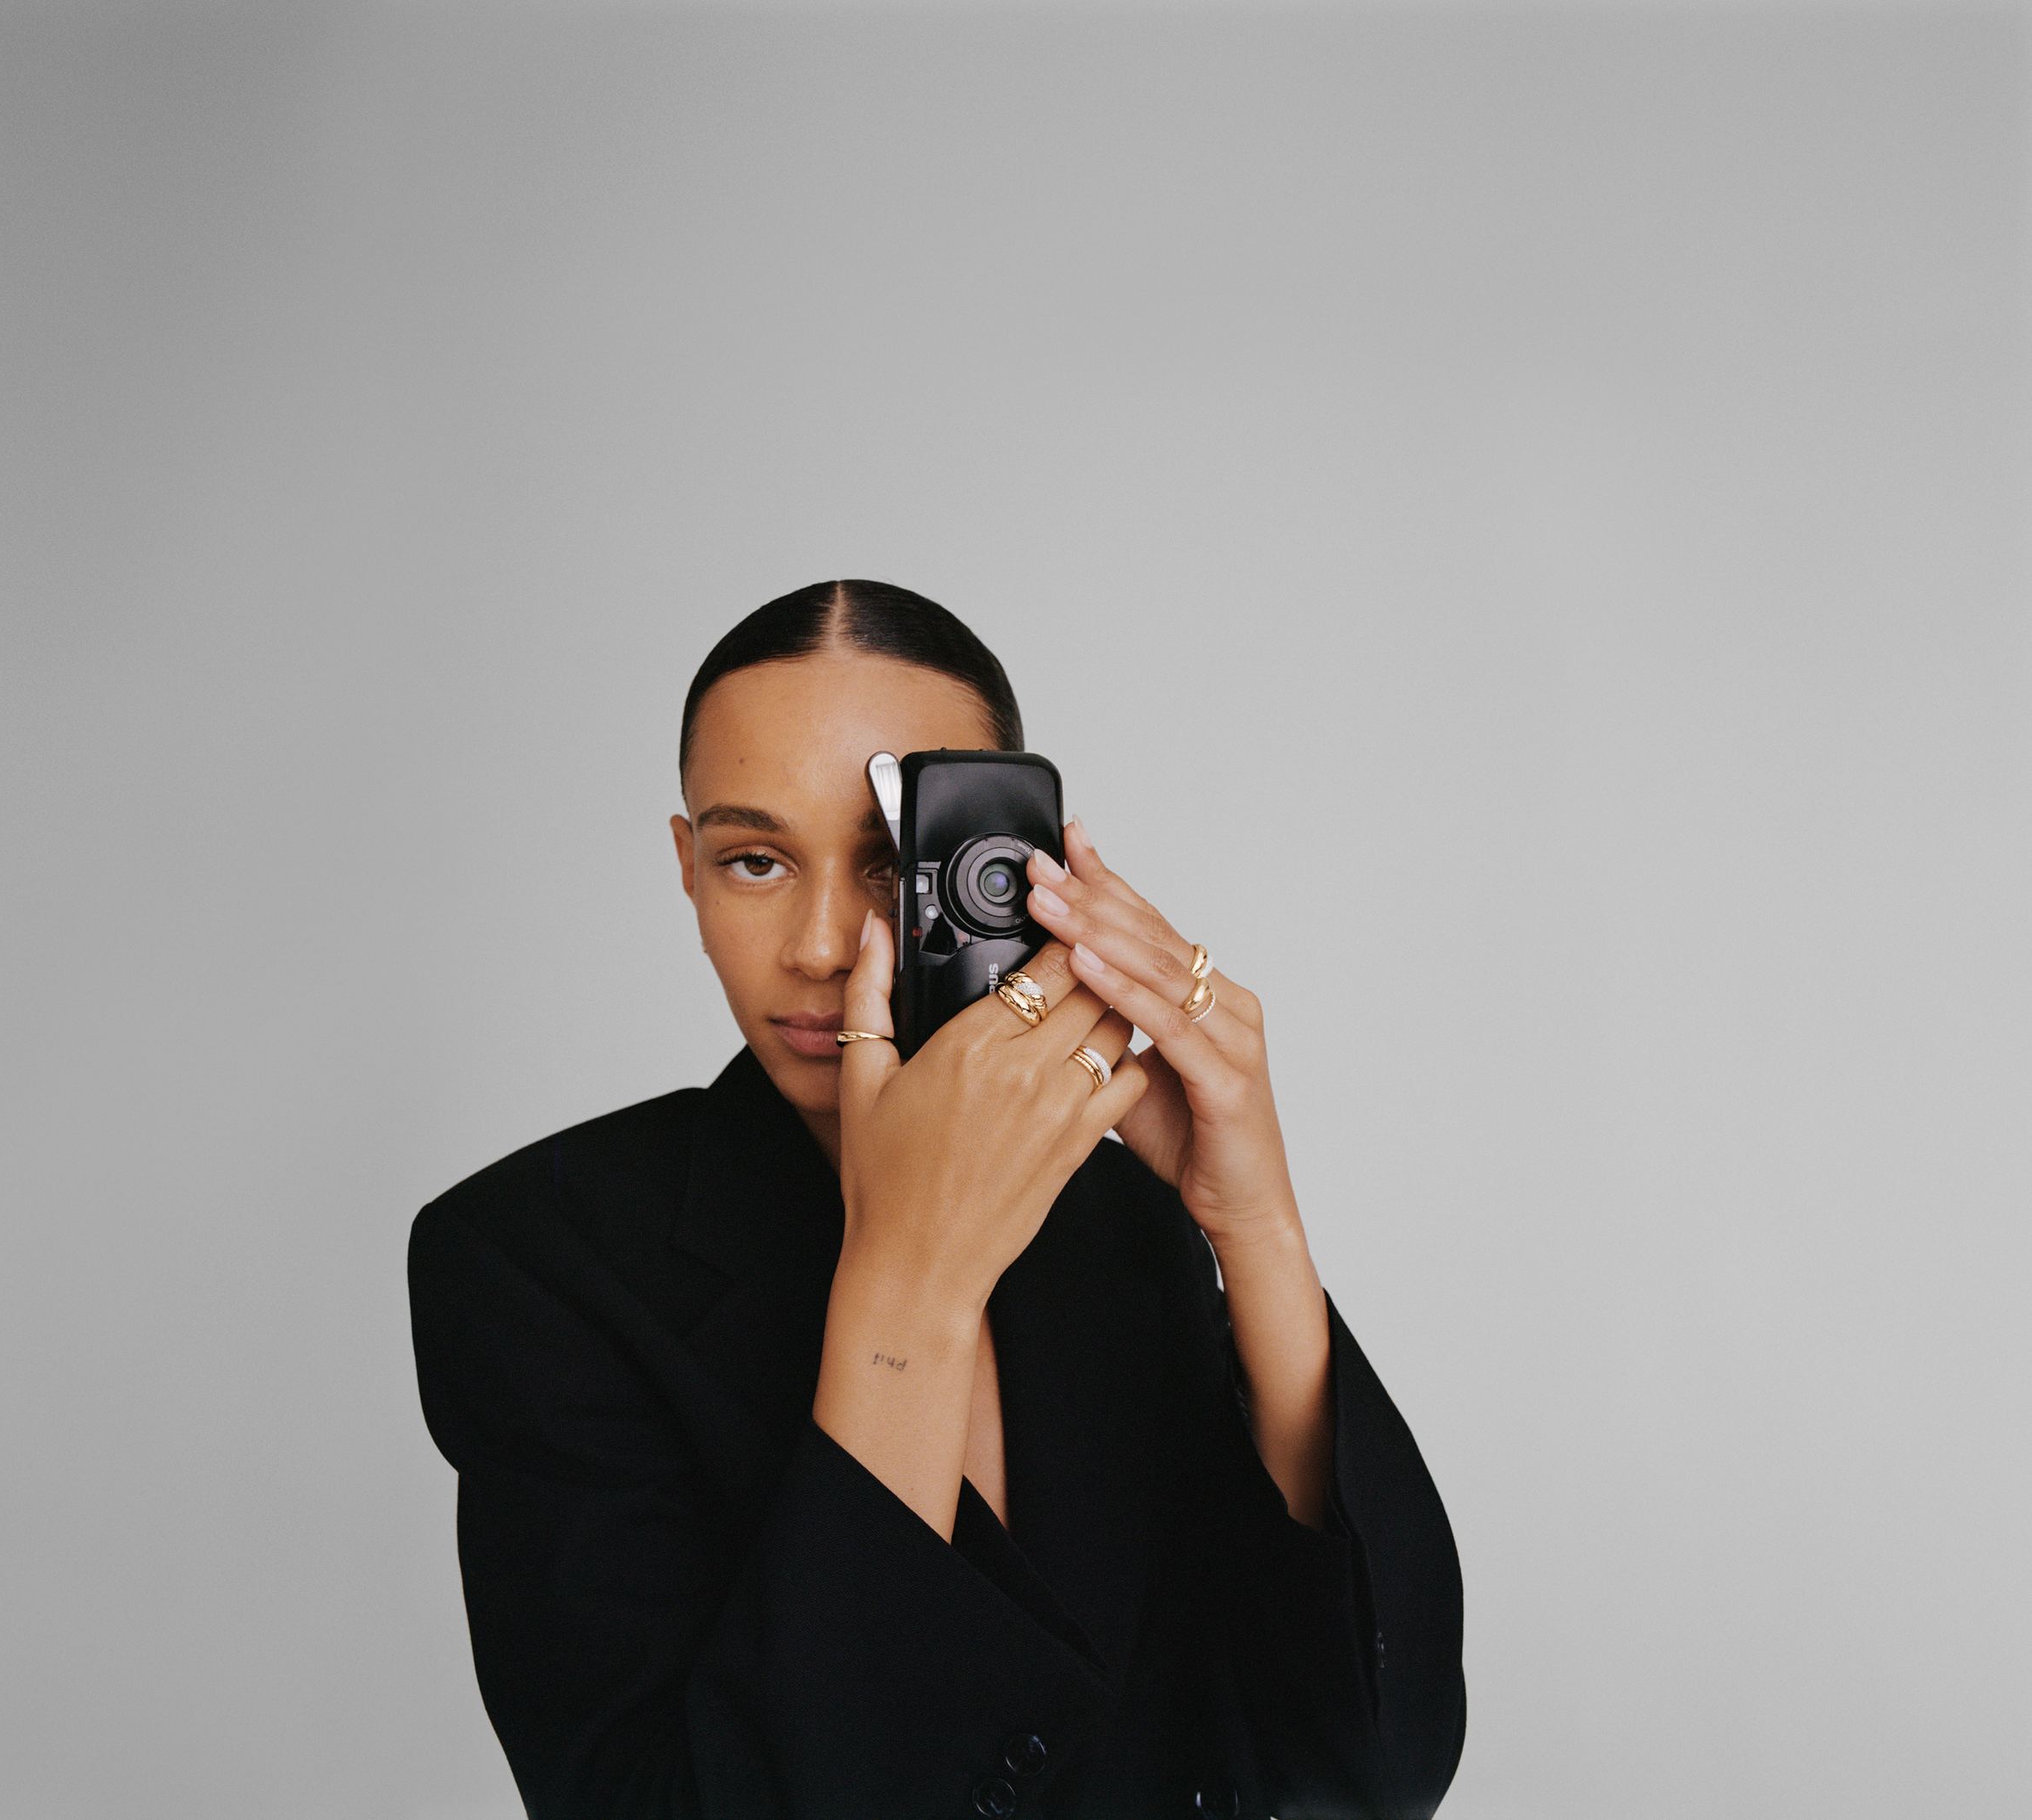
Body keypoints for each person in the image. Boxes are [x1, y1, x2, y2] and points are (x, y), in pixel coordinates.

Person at [408, 580, 1465, 1820]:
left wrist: (1257, 1223)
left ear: (1014, 873)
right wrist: (908, 1283)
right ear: (687, 872)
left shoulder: (1119, 1220)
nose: (817, 942)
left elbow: (1370, 1772)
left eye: (892, 864)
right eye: (755, 860)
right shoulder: (534, 1259)